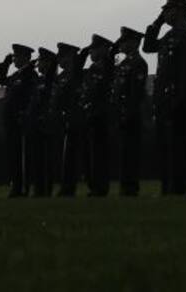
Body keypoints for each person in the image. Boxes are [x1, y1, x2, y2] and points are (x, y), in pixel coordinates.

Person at [143, 0, 186, 195]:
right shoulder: (169, 36)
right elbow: (148, 46)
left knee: (178, 145)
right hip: (164, 98)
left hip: (178, 98)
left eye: (168, 10)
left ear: (179, 11)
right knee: (165, 145)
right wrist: (158, 22)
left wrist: (181, 98)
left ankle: (179, 187)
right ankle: (167, 186)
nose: (165, 14)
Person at [0, 43, 36, 198]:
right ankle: (15, 186)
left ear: (25, 57)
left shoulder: (29, 75)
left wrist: (25, 113)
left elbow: (31, 96)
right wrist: (4, 64)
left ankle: (23, 187)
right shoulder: (16, 76)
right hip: (11, 121)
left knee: (23, 155)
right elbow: (0, 79)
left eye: (17, 56)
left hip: (22, 120)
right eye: (14, 56)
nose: (14, 59)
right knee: (13, 155)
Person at [112, 26, 148, 197]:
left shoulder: (138, 63)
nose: (121, 44)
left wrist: (128, 113)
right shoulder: (123, 63)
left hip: (131, 114)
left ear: (135, 43)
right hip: (122, 112)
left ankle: (131, 186)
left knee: (131, 152)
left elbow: (136, 93)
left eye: (125, 41)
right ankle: (124, 185)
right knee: (124, 152)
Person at [80, 34, 115, 197]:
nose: (90, 53)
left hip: (101, 115)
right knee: (90, 153)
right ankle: (93, 184)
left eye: (93, 49)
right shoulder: (92, 69)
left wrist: (107, 51)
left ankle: (100, 186)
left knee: (99, 153)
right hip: (90, 114)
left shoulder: (107, 67)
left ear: (102, 50)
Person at [51, 42, 86, 197]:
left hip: (75, 119)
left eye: (62, 57)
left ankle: (70, 186)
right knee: (65, 157)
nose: (59, 60)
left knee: (73, 156)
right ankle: (66, 186)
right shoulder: (61, 77)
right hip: (63, 120)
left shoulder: (77, 74)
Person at [25, 47, 59, 197]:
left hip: (48, 123)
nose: (38, 64)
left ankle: (46, 189)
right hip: (36, 123)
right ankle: (39, 189)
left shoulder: (52, 80)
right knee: (37, 159)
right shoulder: (37, 80)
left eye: (41, 61)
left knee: (47, 159)